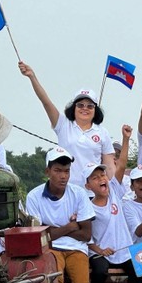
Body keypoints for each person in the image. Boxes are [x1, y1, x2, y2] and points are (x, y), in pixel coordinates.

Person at [18, 61, 115, 195]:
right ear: (73, 107)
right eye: (80, 105)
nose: (85, 109)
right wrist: (32, 77)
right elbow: (46, 102)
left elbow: (109, 167)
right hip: (67, 193)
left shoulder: (103, 133)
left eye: (90, 106)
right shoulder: (63, 124)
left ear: (95, 109)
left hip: (94, 194)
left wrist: (115, 193)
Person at [25, 147, 95, 283]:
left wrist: (50, 229)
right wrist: (70, 227)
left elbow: (86, 234)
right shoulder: (34, 197)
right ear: (47, 171)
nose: (63, 176)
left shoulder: (79, 193)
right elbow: (38, 238)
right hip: (51, 249)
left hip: (77, 248)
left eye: (67, 171)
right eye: (58, 170)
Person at [85, 162, 142, 283]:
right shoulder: (87, 207)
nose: (101, 179)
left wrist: (126, 139)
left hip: (124, 250)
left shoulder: (114, 193)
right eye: (95, 178)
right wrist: (100, 250)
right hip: (100, 252)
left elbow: (121, 167)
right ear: (88, 186)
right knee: (99, 271)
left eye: (102, 175)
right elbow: (86, 237)